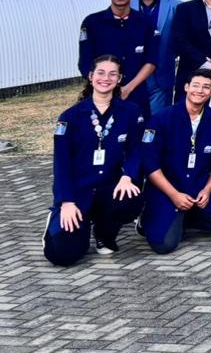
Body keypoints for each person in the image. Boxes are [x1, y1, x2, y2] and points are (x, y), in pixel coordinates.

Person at [44, 56, 146, 266]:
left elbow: (136, 150)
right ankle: (56, 224)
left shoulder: (130, 112)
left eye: (112, 74)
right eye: (100, 73)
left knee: (131, 200)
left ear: (119, 79)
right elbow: (61, 164)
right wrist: (66, 202)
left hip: (109, 188)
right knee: (62, 254)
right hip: (78, 193)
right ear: (90, 77)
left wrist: (128, 177)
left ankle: (104, 234)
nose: (105, 78)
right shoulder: (70, 117)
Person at [139, 68, 211, 253]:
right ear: (186, 87)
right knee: (164, 245)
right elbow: (150, 165)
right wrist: (174, 195)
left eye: (206, 87)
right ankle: (148, 217)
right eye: (195, 85)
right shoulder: (161, 119)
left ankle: (188, 215)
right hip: (168, 188)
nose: (200, 91)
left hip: (199, 185)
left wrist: (208, 190)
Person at [79, 0, 158, 114]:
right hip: (101, 94)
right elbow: (85, 63)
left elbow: (151, 60)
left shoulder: (145, 23)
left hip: (136, 93)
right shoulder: (92, 22)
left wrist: (128, 88)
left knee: (138, 133)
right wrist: (105, 87)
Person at [133, 0, 180, 115]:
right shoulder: (125, 3)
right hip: (131, 77)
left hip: (161, 79)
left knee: (158, 126)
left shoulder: (176, 7)